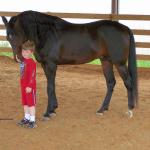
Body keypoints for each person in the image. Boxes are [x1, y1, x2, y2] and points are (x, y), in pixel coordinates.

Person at [17, 41, 37, 128]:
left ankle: (32, 121)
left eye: (27, 52)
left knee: (31, 104)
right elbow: (23, 70)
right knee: (25, 103)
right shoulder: (24, 61)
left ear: (31, 53)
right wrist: (20, 62)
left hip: (29, 87)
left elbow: (32, 75)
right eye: (23, 51)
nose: (24, 53)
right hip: (23, 86)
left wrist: (30, 86)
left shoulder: (32, 62)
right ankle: (27, 118)